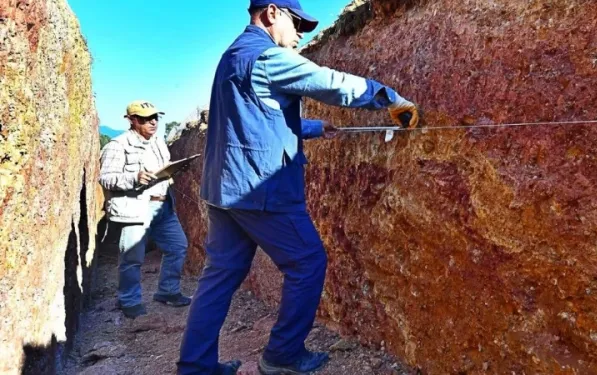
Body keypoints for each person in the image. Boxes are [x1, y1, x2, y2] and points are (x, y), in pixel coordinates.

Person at [178, 1, 419, 374]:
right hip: (259, 188)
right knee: (307, 263)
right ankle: (282, 355)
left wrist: (311, 128)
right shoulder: (267, 56)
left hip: (223, 189)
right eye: (297, 24)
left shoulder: (232, 57)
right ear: (272, 13)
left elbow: (251, 119)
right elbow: (328, 82)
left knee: (220, 274)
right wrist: (389, 98)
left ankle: (195, 366)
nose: (300, 35)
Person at [99, 100, 191, 319]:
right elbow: (105, 178)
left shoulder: (158, 142)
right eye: (146, 118)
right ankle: (128, 300)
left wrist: (176, 169)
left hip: (163, 207)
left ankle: (168, 292)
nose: (153, 122)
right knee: (132, 258)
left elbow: (162, 171)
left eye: (155, 117)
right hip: (135, 208)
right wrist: (134, 177)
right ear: (132, 120)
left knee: (178, 247)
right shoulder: (117, 145)